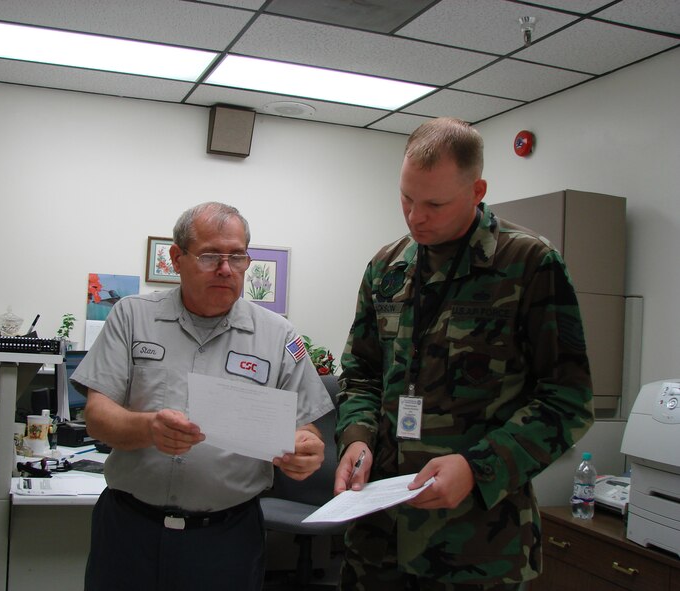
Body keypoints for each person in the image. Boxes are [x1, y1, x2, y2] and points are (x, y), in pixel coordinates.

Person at [333, 117, 594, 590]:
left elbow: (567, 400)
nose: (415, 217)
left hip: (477, 547)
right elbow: (361, 373)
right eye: (406, 198)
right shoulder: (386, 267)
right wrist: (356, 438)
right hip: (378, 538)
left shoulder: (529, 264)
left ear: (477, 191)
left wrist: (479, 467)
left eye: (434, 203)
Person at [72, 201, 335, 591]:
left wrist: (306, 447)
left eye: (238, 256)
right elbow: (97, 415)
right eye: (210, 255)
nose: (226, 269)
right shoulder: (132, 316)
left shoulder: (278, 335)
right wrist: (149, 428)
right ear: (177, 258)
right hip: (130, 531)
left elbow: (306, 427)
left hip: (226, 540)